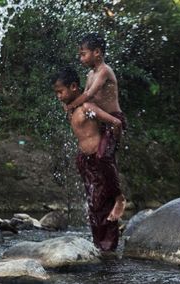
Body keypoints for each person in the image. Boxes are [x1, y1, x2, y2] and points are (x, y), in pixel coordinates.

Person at [52, 67, 124, 251]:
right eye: (56, 93)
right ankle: (99, 245)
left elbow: (115, 122)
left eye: (61, 92)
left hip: (98, 160)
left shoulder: (87, 108)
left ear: (74, 87)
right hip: (87, 161)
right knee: (93, 204)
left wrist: (113, 145)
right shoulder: (70, 109)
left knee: (103, 201)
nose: (59, 96)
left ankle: (109, 247)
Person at [67, 33, 127, 221]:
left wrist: (71, 104)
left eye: (83, 54)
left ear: (97, 53)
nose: (81, 58)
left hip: (114, 120)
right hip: (100, 122)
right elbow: (85, 97)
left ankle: (119, 199)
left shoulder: (104, 71)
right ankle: (100, 208)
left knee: (103, 157)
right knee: (88, 162)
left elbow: (90, 94)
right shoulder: (89, 74)